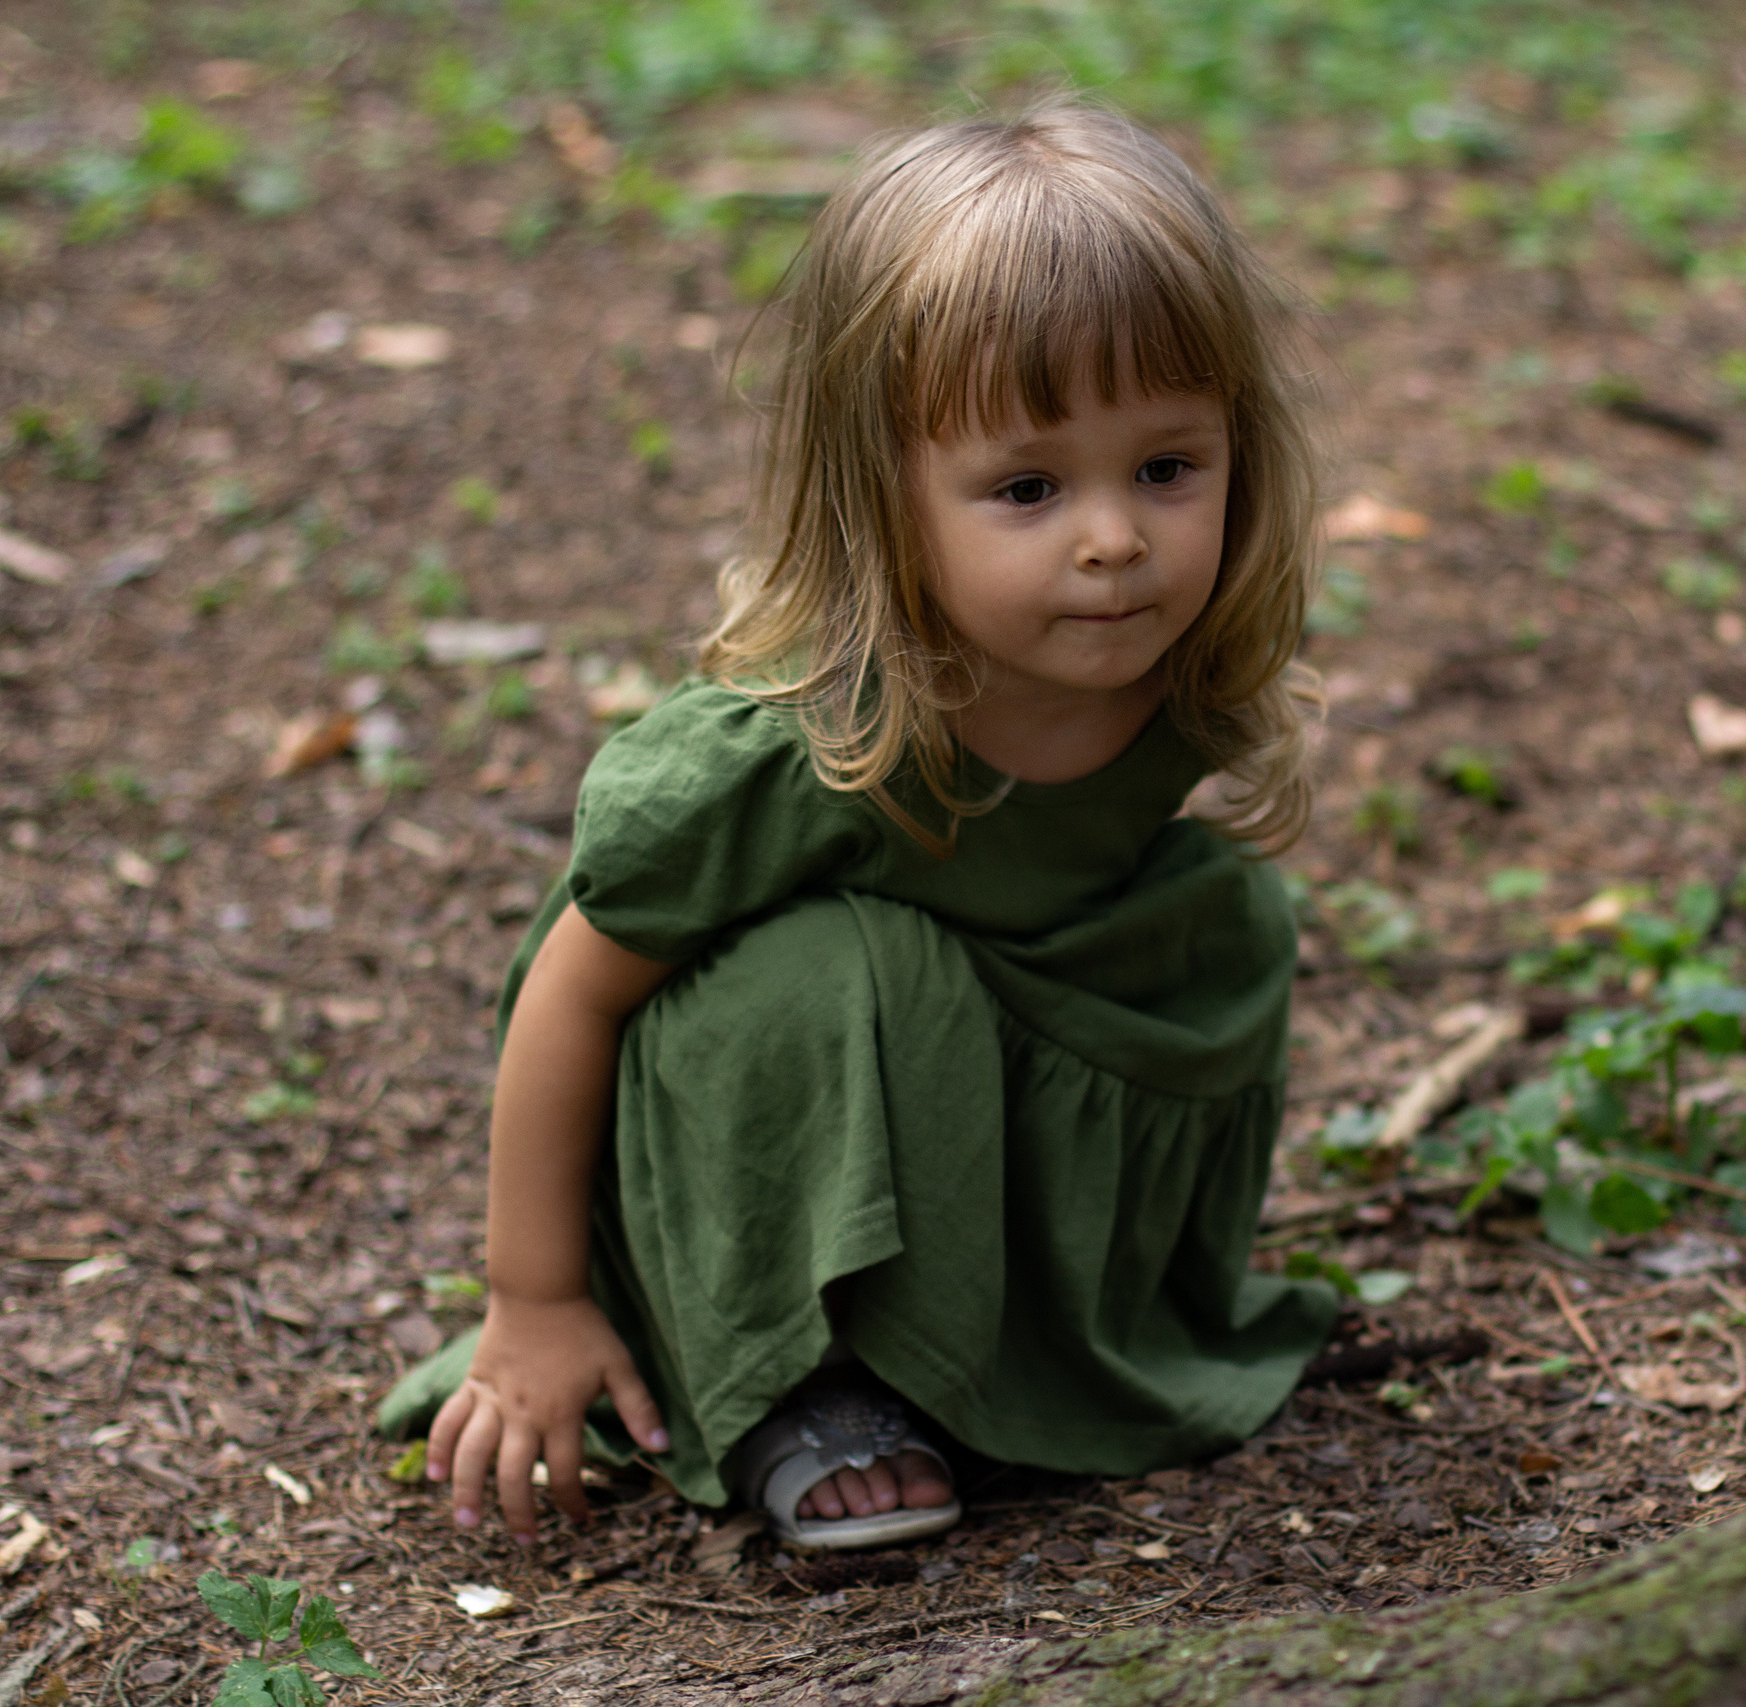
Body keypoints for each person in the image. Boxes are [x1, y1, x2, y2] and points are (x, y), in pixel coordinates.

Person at [374, 99, 1340, 1552]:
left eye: (1165, 467)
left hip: (978, 1059)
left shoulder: (1166, 659)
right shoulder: (798, 747)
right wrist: (535, 1302)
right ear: (883, 500)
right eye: (1027, 487)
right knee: (841, 963)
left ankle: (1032, 1339)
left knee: (1218, 916)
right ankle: (800, 1376)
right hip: (763, 1120)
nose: (1114, 539)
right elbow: (569, 995)